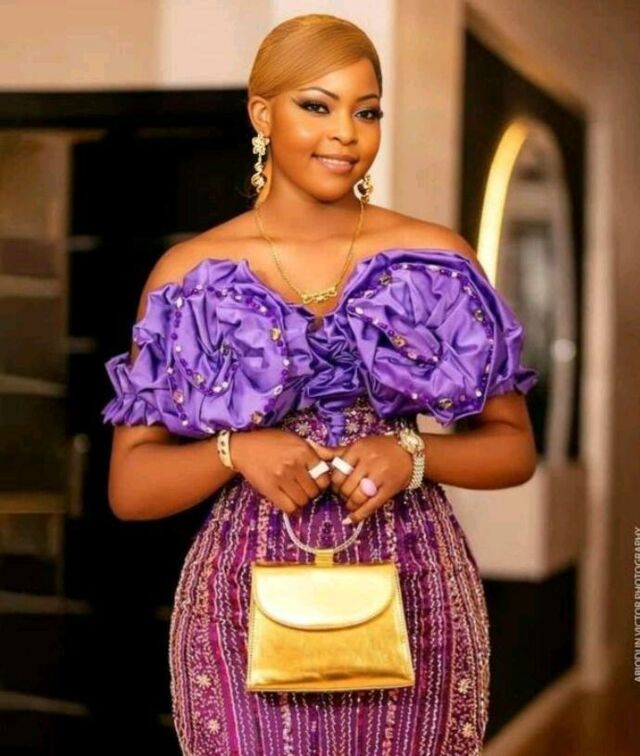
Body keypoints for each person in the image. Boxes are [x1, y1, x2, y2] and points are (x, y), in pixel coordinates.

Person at [101, 13, 539, 756]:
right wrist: (234, 451)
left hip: (417, 598)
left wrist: (414, 456)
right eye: (317, 106)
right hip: (238, 608)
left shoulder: (433, 259)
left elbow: (513, 449)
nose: (346, 133)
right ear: (261, 113)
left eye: (367, 112)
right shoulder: (191, 275)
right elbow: (131, 488)